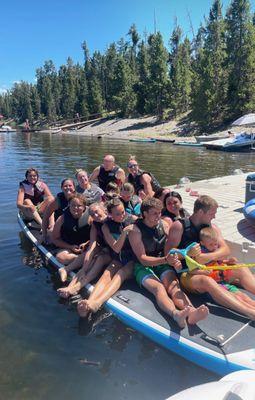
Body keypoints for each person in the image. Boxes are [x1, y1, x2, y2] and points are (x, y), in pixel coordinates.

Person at [165, 195, 255, 320]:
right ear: (201, 212)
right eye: (212, 213)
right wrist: (187, 253)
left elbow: (225, 250)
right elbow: (168, 255)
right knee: (207, 281)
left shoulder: (213, 228)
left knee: (241, 268)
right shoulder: (179, 227)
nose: (214, 216)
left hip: (211, 268)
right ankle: (249, 312)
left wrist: (204, 257)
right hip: (189, 273)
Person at [128, 197, 209, 329]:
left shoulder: (164, 224)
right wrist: (166, 259)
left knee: (173, 286)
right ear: (144, 214)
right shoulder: (135, 231)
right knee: (159, 288)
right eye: (154, 213)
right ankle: (176, 314)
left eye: (160, 212)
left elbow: (172, 248)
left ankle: (192, 312)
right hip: (142, 266)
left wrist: (175, 260)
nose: (158, 216)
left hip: (162, 261)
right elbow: (142, 258)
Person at [77, 198, 135, 317]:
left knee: (120, 274)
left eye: (123, 211)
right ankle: (89, 302)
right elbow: (116, 248)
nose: (122, 215)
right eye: (118, 214)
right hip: (119, 256)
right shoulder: (106, 227)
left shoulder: (132, 220)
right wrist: (124, 233)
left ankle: (97, 303)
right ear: (110, 215)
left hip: (134, 259)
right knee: (106, 275)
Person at [57, 202, 111, 297]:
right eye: (93, 215)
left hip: (114, 252)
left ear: (104, 210)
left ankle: (76, 287)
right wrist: (84, 268)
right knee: (90, 254)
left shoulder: (112, 221)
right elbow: (92, 245)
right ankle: (70, 285)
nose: (96, 215)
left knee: (97, 259)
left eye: (97, 212)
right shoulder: (95, 224)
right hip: (104, 248)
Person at [198, 227, 255, 309]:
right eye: (211, 244)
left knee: (244, 296)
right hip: (215, 287)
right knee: (238, 299)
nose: (214, 247)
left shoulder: (215, 251)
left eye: (216, 244)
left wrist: (229, 261)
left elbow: (220, 263)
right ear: (202, 243)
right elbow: (195, 269)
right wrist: (204, 272)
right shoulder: (201, 254)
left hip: (224, 283)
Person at [51, 194, 91, 266]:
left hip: (86, 247)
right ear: (69, 205)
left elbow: (97, 238)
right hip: (69, 246)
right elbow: (55, 239)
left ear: (84, 207)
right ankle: (82, 260)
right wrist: (70, 247)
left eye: (79, 206)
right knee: (61, 257)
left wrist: (86, 244)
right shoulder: (62, 219)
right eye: (73, 205)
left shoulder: (90, 219)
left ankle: (83, 260)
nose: (76, 208)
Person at [41, 178, 76, 243]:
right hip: (61, 227)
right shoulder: (57, 201)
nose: (68, 188)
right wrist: (44, 235)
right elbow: (45, 217)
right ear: (62, 188)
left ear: (74, 187)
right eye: (65, 186)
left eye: (70, 185)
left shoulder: (79, 198)